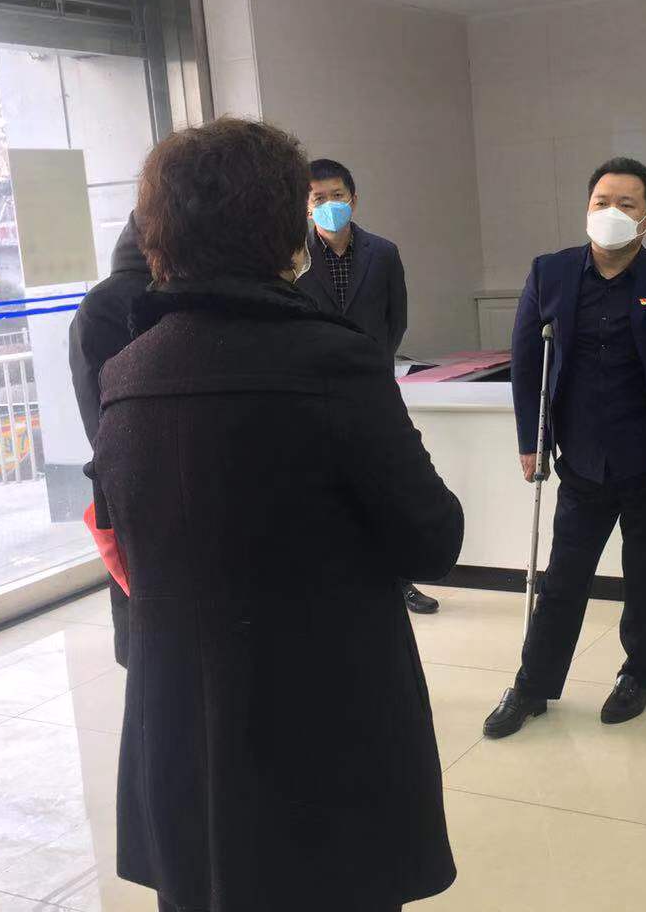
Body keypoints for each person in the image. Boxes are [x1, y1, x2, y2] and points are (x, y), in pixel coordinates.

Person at [92, 118, 463, 912]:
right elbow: (432, 539)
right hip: (324, 724)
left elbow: (124, 526)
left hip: (182, 726)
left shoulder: (126, 372)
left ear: (158, 232)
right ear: (286, 232)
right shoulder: (335, 361)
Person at [482, 157, 646, 739]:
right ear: (587, 208)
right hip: (580, 457)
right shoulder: (550, 272)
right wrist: (532, 440)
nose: (611, 212)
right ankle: (532, 685)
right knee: (562, 579)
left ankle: (640, 676)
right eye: (601, 202)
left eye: (626, 204)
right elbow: (527, 361)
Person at [297, 157, 439, 615]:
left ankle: (401, 580)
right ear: (306, 206)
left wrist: (373, 363)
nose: (329, 204)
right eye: (319, 198)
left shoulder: (383, 252)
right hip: (313, 388)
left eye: (337, 195)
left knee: (384, 482)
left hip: (373, 385)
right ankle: (335, 581)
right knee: (325, 485)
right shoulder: (293, 257)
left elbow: (397, 317)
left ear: (353, 199)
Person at [67, 214, 149, 666]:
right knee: (143, 610)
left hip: (129, 476)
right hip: (133, 477)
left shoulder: (164, 292)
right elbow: (100, 410)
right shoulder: (107, 305)